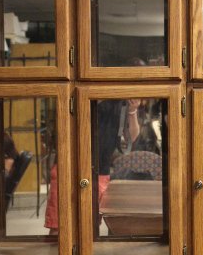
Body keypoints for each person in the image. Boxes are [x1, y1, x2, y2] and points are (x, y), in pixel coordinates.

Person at [44, 99, 140, 234]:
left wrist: (132, 111)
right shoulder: (75, 95)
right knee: (58, 225)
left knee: (90, 227)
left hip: (99, 169)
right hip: (67, 166)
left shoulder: (119, 100)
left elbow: (131, 137)